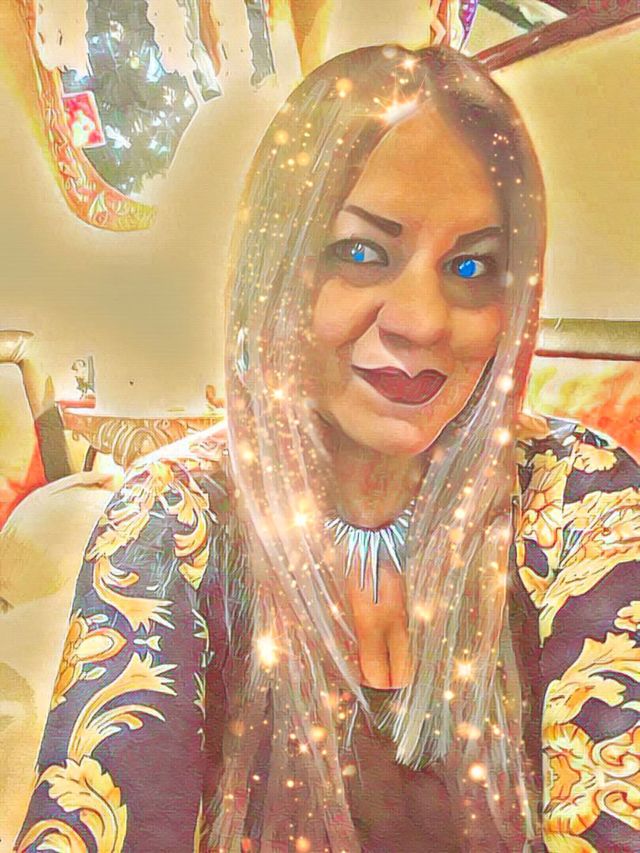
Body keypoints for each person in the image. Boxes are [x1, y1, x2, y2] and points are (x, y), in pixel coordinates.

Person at [16, 45, 640, 852]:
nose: (421, 319)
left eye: (472, 265)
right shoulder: (172, 517)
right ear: (275, 266)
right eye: (360, 252)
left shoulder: (583, 496)